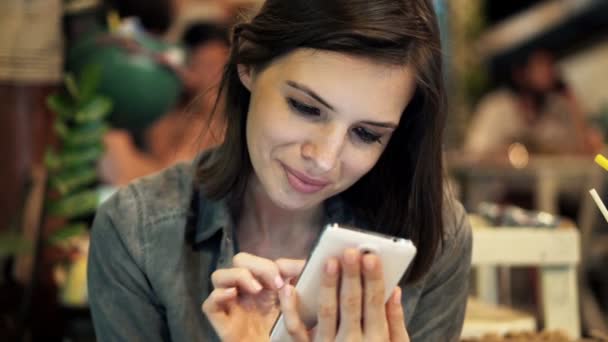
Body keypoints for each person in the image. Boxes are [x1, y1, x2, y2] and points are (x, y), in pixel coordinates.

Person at [87, 0, 472, 341]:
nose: (324, 158)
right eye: (306, 108)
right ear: (248, 64)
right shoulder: (136, 232)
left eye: (366, 134)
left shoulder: (435, 236)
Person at [99, 22, 229, 185]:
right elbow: (163, 174)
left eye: (219, 68)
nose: (213, 79)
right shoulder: (165, 108)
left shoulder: (231, 125)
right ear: (186, 69)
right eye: (204, 66)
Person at [465, 50, 603, 158]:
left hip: (555, 192)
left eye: (550, 64)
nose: (549, 71)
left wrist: (572, 101)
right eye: (540, 65)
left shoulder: (558, 107)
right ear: (520, 73)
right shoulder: (496, 108)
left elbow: (586, 151)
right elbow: (474, 153)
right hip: (505, 190)